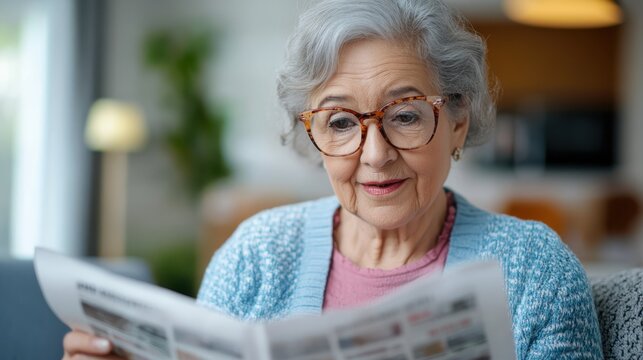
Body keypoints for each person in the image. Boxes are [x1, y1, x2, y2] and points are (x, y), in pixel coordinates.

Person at [62, 0, 603, 359]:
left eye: (407, 114)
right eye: (341, 123)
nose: (375, 154)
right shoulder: (257, 254)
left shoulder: (534, 271)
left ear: (457, 120)